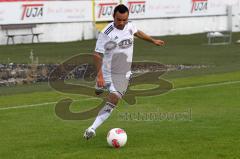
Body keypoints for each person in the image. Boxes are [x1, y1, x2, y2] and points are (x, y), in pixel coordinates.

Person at [83, 4, 164, 140]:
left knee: (114, 99)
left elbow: (137, 32)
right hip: (107, 71)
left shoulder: (130, 25)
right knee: (99, 89)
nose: (121, 23)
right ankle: (99, 85)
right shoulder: (106, 33)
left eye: (124, 20)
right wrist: (100, 76)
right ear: (113, 17)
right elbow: (97, 55)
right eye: (118, 20)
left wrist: (153, 40)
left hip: (123, 74)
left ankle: (92, 128)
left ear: (127, 18)